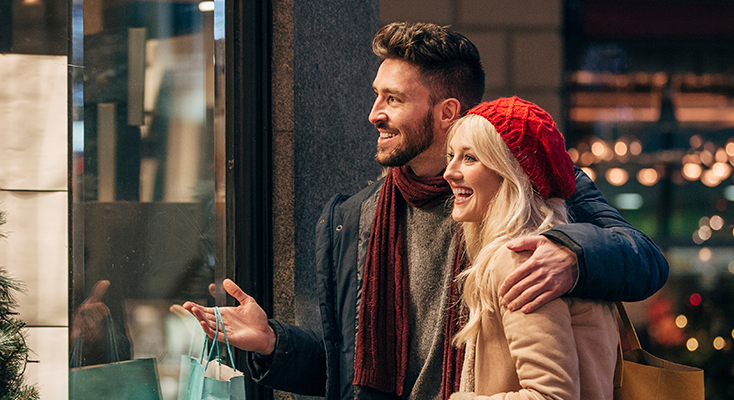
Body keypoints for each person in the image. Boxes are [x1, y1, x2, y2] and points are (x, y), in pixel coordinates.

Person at [183, 22, 667, 400]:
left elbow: (645, 259)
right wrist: (272, 342)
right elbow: (350, 372)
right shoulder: (354, 218)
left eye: (393, 99)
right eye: (377, 95)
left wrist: (571, 252)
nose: (374, 113)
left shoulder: (533, 192)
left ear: (446, 112)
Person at [444, 96, 618, 400]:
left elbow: (552, 396)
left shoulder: (521, 258)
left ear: (510, 173)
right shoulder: (559, 249)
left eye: (470, 158)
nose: (449, 172)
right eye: (451, 156)